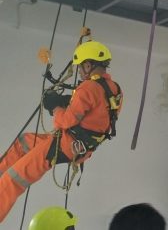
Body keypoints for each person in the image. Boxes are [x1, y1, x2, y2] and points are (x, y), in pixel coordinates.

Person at [0, 41, 122, 221]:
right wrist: (68, 102)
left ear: (89, 65)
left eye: (81, 67)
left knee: (13, 179)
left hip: (66, 143)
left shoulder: (88, 87)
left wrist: (54, 107)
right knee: (25, 142)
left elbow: (64, 123)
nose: (80, 71)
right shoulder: (115, 89)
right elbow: (97, 111)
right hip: (80, 147)